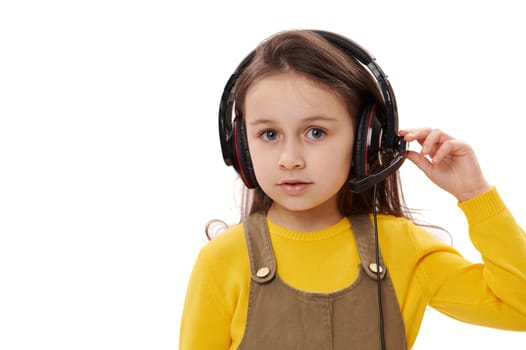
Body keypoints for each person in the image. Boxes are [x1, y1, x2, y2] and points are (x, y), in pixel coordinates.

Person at [179, 29, 526, 349]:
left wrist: (476, 196)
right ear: (241, 145)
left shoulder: (401, 249)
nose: (290, 159)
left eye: (316, 132)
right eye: (269, 134)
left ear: (366, 141)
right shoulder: (222, 261)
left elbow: (519, 309)